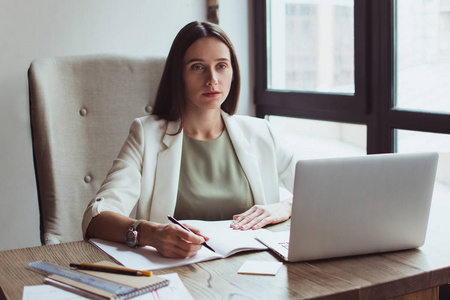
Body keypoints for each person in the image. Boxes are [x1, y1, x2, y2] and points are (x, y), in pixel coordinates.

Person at [82, 21, 298, 258]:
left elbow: (321, 192)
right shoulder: (146, 134)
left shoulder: (261, 132)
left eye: (222, 66)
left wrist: (284, 206)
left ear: (233, 72)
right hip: (181, 271)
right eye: (197, 67)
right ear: (179, 75)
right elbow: (96, 218)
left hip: (253, 269)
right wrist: (152, 233)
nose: (212, 79)